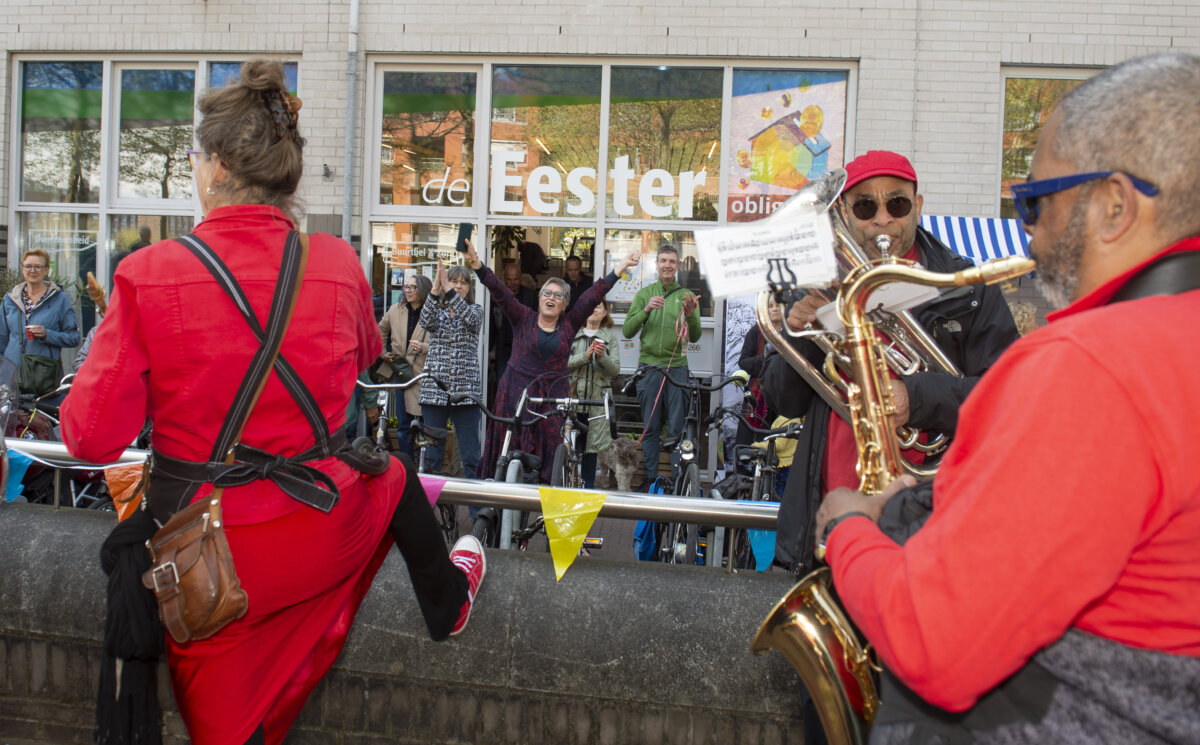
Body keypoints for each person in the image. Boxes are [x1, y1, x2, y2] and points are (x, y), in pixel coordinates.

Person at [60, 59, 485, 745]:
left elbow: (88, 439)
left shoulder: (148, 273)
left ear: (221, 165)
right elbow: (360, 355)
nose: (194, 169)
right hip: (317, 529)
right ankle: (450, 602)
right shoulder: (338, 261)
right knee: (395, 475)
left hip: (210, 555)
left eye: (196, 156)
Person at [816, 52, 1200, 742]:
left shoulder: (1089, 362)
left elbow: (935, 640)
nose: (1030, 232)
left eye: (1036, 203)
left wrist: (850, 527)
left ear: (1115, 205)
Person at [760, 149, 1021, 575]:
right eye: (865, 206)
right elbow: (782, 400)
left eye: (896, 204)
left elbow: (1009, 398)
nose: (881, 219)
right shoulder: (821, 287)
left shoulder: (963, 287)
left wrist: (914, 398)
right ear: (843, 211)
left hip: (933, 523)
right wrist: (800, 333)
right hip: (829, 522)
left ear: (916, 208)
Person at [466, 239, 640, 483]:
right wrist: (476, 263)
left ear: (564, 304)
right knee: (505, 457)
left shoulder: (568, 325)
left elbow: (593, 294)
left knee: (548, 463)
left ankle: (540, 511)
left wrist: (620, 267)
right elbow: (499, 291)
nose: (551, 297)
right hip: (515, 396)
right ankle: (496, 512)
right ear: (539, 298)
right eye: (547, 293)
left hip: (549, 401)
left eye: (558, 295)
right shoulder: (523, 317)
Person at [621, 245, 701, 488]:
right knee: (651, 426)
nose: (667, 265)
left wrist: (690, 315)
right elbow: (627, 330)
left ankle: (678, 480)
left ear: (678, 266)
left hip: (677, 367)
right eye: (663, 260)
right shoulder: (645, 293)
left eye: (672, 261)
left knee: (677, 427)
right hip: (649, 367)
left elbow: (696, 336)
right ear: (656, 264)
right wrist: (645, 310)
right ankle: (651, 479)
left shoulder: (686, 295)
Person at [418, 262, 484, 479]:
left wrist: (447, 289)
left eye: (463, 282)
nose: (458, 286)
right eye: (454, 281)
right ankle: (428, 508)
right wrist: (436, 288)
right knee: (432, 456)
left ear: (469, 288)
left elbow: (469, 319)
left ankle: (476, 512)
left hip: (465, 392)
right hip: (434, 390)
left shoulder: (475, 311)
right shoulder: (437, 311)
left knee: (471, 456)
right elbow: (425, 321)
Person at [1, 248, 81, 390]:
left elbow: (74, 338)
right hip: (11, 376)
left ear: (46, 270)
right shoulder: (10, 299)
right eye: (28, 266)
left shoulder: (60, 299)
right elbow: (1, 339)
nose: (33, 270)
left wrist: (47, 335)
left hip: (43, 376)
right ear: (22, 268)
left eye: (38, 266)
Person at [376, 273, 432, 455]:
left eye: (412, 287)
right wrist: (383, 352)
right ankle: (406, 463)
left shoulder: (432, 313)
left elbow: (442, 343)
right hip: (402, 372)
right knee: (403, 423)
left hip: (424, 373)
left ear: (423, 290)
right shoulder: (395, 309)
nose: (407, 291)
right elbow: (380, 329)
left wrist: (424, 347)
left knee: (425, 423)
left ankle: (425, 464)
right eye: (406, 287)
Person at [567, 301, 620, 488]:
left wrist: (602, 356)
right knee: (569, 447)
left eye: (599, 306)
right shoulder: (573, 333)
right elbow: (561, 363)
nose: (594, 309)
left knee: (591, 451)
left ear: (605, 312)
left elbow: (615, 370)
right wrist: (585, 356)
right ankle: (567, 485)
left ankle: (587, 489)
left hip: (597, 402)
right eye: (591, 305)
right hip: (574, 400)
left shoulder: (610, 337)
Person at [735, 297, 783, 448]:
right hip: (757, 396)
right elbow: (743, 362)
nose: (775, 309)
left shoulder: (792, 334)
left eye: (778, 305)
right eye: (770, 306)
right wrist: (764, 357)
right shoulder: (756, 332)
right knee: (749, 442)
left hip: (783, 393)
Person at [488, 260, 539, 399]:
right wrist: (488, 350)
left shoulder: (531, 296)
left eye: (516, 279)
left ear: (520, 278)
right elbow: (492, 324)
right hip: (502, 348)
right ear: (504, 279)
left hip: (525, 349)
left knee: (524, 387)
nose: (512, 283)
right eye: (509, 280)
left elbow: (537, 324)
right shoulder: (497, 297)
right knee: (502, 385)